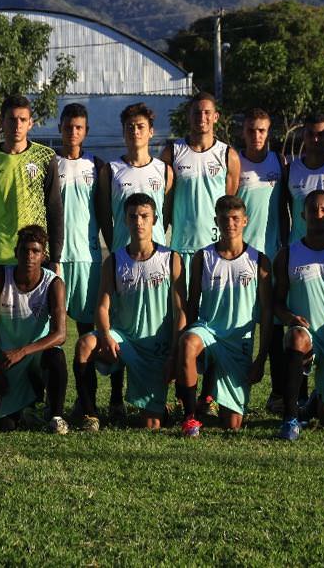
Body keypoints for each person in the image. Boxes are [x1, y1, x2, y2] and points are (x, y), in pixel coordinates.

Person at [73, 193, 184, 431]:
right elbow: (102, 307)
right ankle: (90, 413)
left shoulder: (171, 258)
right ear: (124, 220)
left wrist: (174, 355)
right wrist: (106, 336)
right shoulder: (114, 261)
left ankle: (163, 409)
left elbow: (180, 312)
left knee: (151, 425)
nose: (138, 222)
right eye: (133, 216)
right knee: (84, 345)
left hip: (155, 348)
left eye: (144, 216)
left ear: (155, 220)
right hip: (123, 341)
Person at [175, 194, 271, 436]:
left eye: (236, 218)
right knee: (188, 343)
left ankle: (209, 398)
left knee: (232, 424)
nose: (230, 224)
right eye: (225, 218)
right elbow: (192, 303)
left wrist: (261, 359)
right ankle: (190, 417)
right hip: (207, 331)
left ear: (245, 221)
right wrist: (180, 348)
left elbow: (267, 313)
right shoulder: (203, 257)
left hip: (238, 343)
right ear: (216, 221)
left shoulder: (259, 260)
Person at [272, 190, 324, 439]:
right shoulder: (288, 254)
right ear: (302, 215)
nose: (318, 215)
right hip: (304, 334)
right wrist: (289, 318)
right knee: (296, 337)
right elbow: (277, 303)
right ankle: (290, 419)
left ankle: (313, 402)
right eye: (312, 210)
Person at [0, 226, 69, 433]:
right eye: (24, 250)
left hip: (35, 354)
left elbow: (61, 334)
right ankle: (28, 409)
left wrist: (23, 351)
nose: (29, 256)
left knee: (56, 356)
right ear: (16, 252)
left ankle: (56, 416)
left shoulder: (53, 283)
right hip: (6, 359)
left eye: (35, 251)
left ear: (44, 256)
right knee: (6, 426)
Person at [236, 107, 288, 413]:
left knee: (275, 327)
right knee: (240, 327)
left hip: (272, 257)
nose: (256, 135)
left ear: (269, 133)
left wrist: (284, 247)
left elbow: (282, 208)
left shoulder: (278, 162)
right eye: (251, 130)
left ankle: (278, 394)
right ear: (243, 131)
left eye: (262, 130)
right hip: (241, 257)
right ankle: (230, 395)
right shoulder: (234, 161)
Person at [0, 95, 63, 267]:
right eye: (12, 119)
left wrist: (55, 257)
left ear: (30, 123)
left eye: (23, 120)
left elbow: (54, 208)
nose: (17, 125)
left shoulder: (45, 157)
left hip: (35, 253)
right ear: (1, 122)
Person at [163, 92, 241, 270]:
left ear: (216, 117)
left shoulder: (228, 155)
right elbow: (166, 202)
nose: (202, 117)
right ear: (189, 116)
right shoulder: (172, 152)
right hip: (181, 246)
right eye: (197, 112)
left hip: (216, 248)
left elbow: (229, 204)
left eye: (207, 112)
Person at [96, 101, 172, 256]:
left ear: (151, 132)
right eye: (130, 127)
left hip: (157, 256)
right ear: (123, 132)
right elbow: (104, 218)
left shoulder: (165, 171)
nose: (135, 131)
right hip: (122, 254)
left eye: (140, 126)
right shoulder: (110, 170)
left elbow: (165, 216)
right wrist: (116, 249)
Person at [55, 103, 106, 333]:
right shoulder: (49, 163)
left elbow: (103, 212)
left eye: (78, 127)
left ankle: (87, 358)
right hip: (56, 257)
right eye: (68, 127)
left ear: (86, 130)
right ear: (60, 128)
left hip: (87, 256)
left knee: (86, 326)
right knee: (53, 325)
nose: (73, 132)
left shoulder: (97, 165)